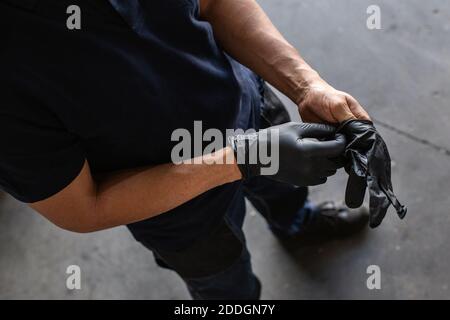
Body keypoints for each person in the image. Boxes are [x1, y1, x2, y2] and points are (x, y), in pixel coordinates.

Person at [0, 0, 371, 299]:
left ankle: (297, 224)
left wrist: (307, 87)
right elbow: (84, 206)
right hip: (179, 210)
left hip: (251, 107)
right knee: (225, 288)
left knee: (287, 192)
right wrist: (244, 158)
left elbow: (213, 5)